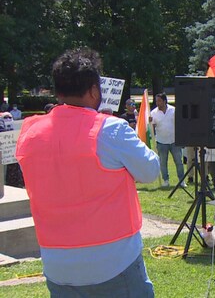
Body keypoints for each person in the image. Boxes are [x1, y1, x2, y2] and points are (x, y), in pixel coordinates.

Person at [15, 48, 159, 297]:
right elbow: (151, 171)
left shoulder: (29, 133)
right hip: (114, 260)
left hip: (57, 262)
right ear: (94, 90)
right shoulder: (111, 129)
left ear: (58, 92)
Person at [150, 92, 185, 187]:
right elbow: (151, 127)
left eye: (159, 101)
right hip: (161, 142)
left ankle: (181, 181)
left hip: (174, 141)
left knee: (179, 161)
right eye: (156, 101)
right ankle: (166, 181)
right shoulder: (153, 113)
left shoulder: (173, 110)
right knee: (163, 162)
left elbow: (180, 123)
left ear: (164, 101)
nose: (157, 103)